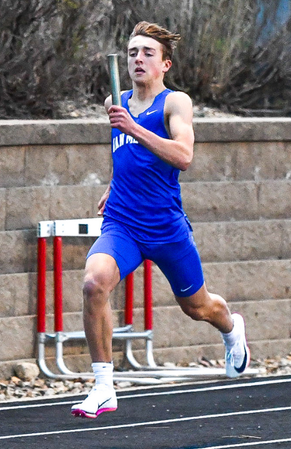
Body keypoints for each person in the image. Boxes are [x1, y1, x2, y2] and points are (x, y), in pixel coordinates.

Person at [71, 21, 249, 419]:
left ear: (165, 64)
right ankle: (103, 386)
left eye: (148, 53)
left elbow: (183, 156)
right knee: (93, 282)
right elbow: (120, 150)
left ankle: (231, 328)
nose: (138, 59)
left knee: (198, 307)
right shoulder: (113, 102)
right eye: (133, 52)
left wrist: (132, 127)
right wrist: (113, 181)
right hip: (123, 223)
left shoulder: (175, 103)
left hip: (166, 226)